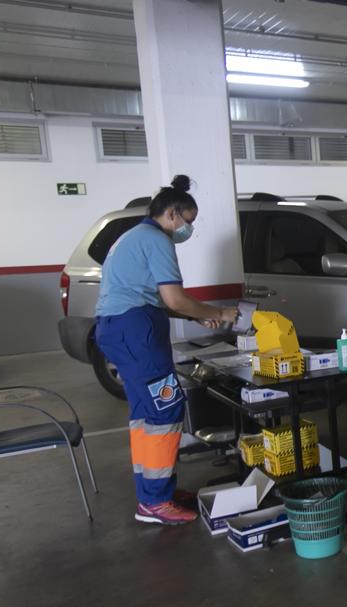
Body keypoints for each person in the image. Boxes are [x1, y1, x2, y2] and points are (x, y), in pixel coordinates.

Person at [94, 175, 237, 526]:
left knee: (146, 412)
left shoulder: (132, 236)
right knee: (166, 405)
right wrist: (218, 313)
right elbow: (173, 298)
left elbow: (160, 300)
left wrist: (199, 315)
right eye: (187, 222)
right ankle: (155, 502)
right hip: (134, 329)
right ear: (172, 214)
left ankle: (155, 492)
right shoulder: (157, 239)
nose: (187, 230)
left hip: (121, 329)